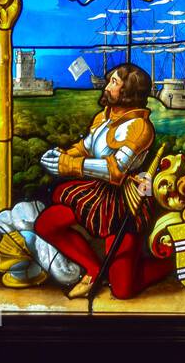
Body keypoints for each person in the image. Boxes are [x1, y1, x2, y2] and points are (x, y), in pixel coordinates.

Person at [34, 64, 173, 300]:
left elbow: (117, 170)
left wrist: (68, 165)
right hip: (96, 193)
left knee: (123, 290)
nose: (107, 87)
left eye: (114, 83)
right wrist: (61, 155)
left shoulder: (140, 127)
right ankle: (95, 270)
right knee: (46, 224)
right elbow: (85, 147)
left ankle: (172, 264)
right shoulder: (104, 117)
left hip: (125, 201)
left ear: (128, 92)